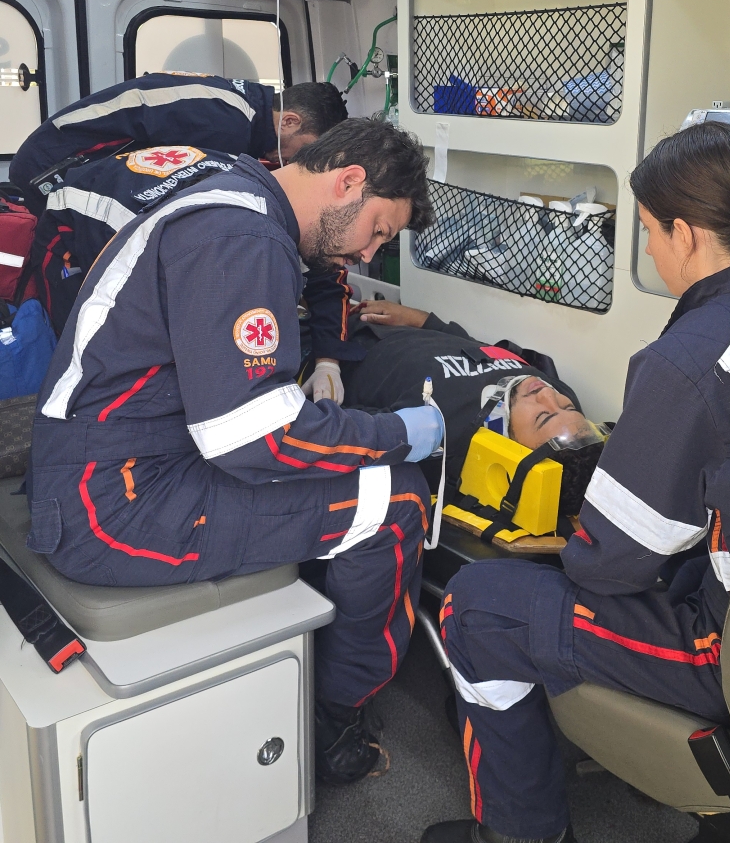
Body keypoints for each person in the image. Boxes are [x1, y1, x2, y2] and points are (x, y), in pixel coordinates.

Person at [422, 122, 730, 843]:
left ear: (686, 233)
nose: (647, 249)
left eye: (646, 231)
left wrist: (562, 546)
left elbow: (612, 567)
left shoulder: (689, 360)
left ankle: (522, 834)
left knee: (479, 605)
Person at [26, 119, 442, 787]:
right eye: (379, 230)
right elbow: (251, 438)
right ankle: (336, 714)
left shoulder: (229, 194)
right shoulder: (243, 236)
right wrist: (397, 433)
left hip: (108, 474)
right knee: (397, 498)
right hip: (115, 508)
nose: (368, 255)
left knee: (341, 461)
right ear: (349, 181)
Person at [24, 140, 372, 385]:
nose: (368, 254)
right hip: (72, 218)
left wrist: (328, 361)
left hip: (159, 182)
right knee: (88, 352)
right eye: (378, 230)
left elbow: (327, 278)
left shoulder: (285, 206)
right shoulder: (206, 235)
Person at [339, 300, 607, 519]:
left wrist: (326, 362)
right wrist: (421, 319)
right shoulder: (562, 401)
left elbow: (343, 424)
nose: (549, 394)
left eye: (543, 416)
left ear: (511, 452)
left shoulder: (440, 436)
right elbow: (481, 350)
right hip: (403, 322)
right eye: (566, 406)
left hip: (348, 341)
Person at [10, 74, 348, 217]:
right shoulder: (226, 122)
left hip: (63, 156)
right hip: (52, 166)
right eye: (304, 150)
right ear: (289, 121)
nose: (296, 160)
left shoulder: (246, 104)